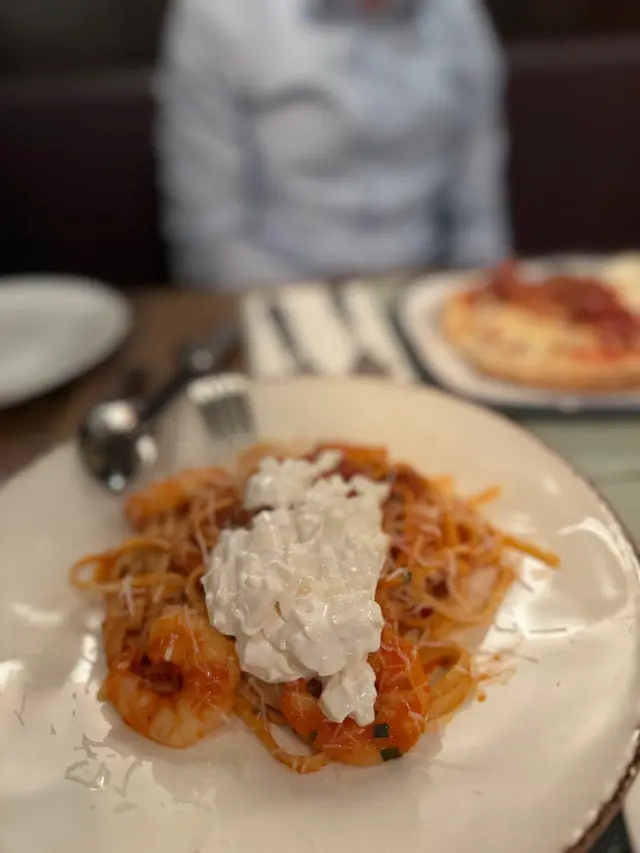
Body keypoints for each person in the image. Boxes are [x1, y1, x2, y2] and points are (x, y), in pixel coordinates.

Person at [156, 0, 510, 290]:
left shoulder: (459, 14)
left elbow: (479, 217)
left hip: (431, 289)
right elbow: (210, 236)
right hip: (280, 290)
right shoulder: (219, 13)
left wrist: (482, 293)